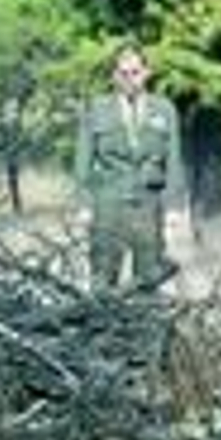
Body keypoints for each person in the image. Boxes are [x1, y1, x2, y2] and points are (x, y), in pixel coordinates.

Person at [75, 44, 180, 289]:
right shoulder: (96, 109)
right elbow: (82, 161)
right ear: (114, 76)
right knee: (102, 278)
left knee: (149, 278)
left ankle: (146, 316)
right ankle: (102, 315)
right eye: (123, 73)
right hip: (108, 203)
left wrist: (173, 207)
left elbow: (173, 162)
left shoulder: (164, 110)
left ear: (147, 73)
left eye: (135, 72)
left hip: (149, 203)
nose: (130, 79)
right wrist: (84, 204)